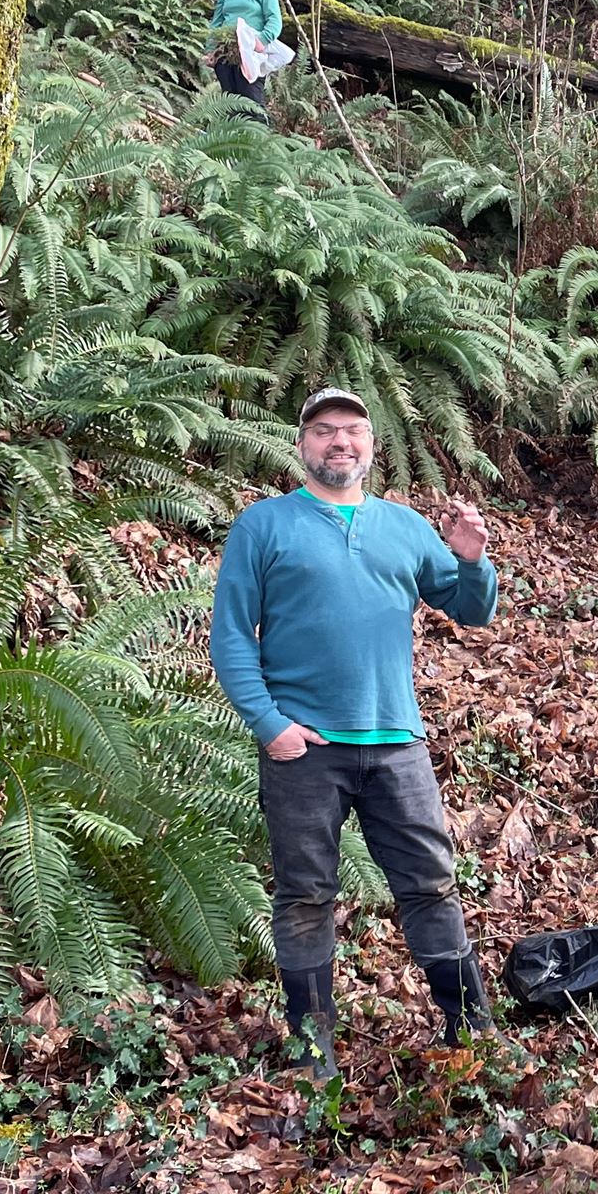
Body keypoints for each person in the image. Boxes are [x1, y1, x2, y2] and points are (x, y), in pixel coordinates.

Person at [211, 387, 500, 1077]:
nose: (340, 442)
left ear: (372, 447)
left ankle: (473, 1034)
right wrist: (269, 723)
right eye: (324, 431)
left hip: (396, 741)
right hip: (305, 750)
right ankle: (315, 1052)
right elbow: (229, 637)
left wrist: (470, 559)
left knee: (431, 884)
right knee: (306, 895)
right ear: (302, 444)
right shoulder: (264, 526)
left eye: (354, 431)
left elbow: (470, 610)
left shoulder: (402, 528)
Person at [207, 0, 291, 113]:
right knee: (229, 100)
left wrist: (262, 40)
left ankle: (259, 137)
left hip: (252, 52)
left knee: (251, 101)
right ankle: (233, 137)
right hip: (225, 51)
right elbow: (216, 23)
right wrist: (210, 50)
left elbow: (274, 20)